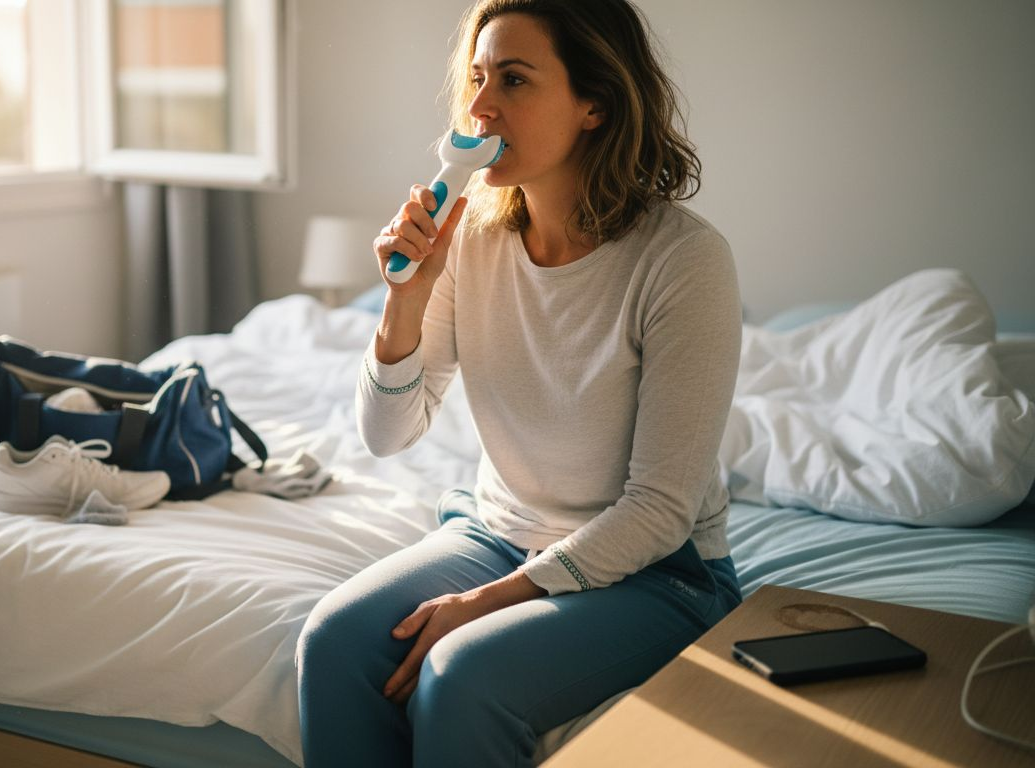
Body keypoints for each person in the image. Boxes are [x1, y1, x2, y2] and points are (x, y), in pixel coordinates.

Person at [295, 0, 743, 765]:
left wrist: (485, 604)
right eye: (475, 78)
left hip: (658, 576)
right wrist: (405, 298)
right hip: (497, 533)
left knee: (461, 677)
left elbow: (661, 512)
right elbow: (386, 435)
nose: (479, 106)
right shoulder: (468, 238)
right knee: (333, 642)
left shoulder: (683, 262)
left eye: (513, 79)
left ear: (594, 103)